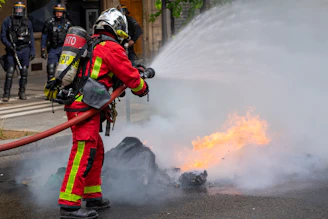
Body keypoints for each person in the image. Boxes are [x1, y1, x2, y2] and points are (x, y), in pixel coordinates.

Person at [53, 8, 149, 219]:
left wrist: (136, 71)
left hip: (83, 105)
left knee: (95, 149)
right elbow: (131, 78)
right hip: (84, 107)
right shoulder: (110, 47)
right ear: (117, 29)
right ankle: (69, 205)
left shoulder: (94, 43)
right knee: (83, 152)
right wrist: (142, 87)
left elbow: (114, 72)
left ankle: (92, 195)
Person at [1, 2, 35, 102]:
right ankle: (6, 94)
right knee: (10, 72)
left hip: (25, 49)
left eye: (21, 9)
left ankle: (22, 91)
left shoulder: (28, 22)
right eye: (17, 9)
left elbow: (31, 37)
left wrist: (33, 51)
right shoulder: (8, 21)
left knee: (24, 71)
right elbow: (3, 36)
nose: (19, 11)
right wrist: (9, 45)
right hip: (12, 49)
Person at [41, 3, 72, 82]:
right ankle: (50, 87)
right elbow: (44, 36)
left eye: (60, 12)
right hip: (53, 48)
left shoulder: (68, 24)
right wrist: (43, 48)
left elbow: (72, 36)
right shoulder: (49, 23)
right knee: (51, 68)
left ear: (63, 13)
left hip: (64, 49)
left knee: (65, 69)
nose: (58, 14)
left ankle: (63, 87)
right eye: (57, 12)